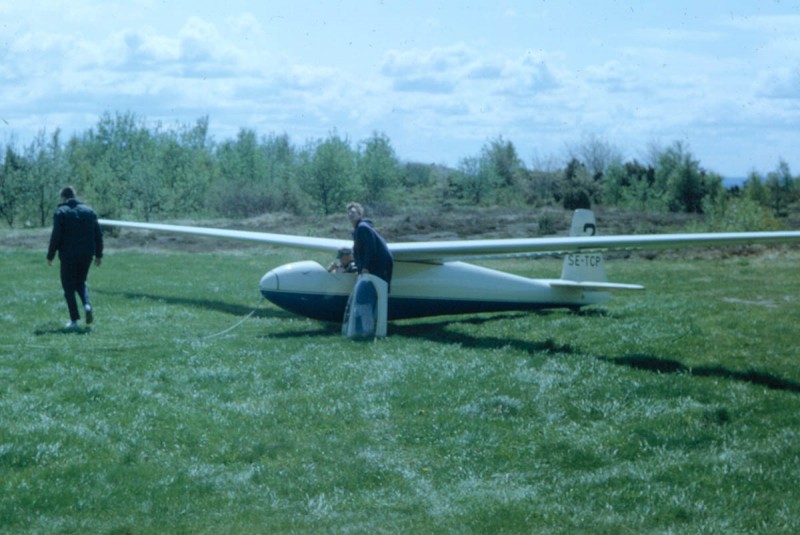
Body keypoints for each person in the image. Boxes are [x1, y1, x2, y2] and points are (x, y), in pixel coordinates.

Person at [47, 186, 104, 330]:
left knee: (68, 286)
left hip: (68, 255)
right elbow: (98, 235)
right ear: (75, 195)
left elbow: (56, 236)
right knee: (81, 281)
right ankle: (87, 305)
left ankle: (74, 321)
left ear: (63, 197)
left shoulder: (61, 212)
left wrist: (51, 255)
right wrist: (99, 254)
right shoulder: (89, 212)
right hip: (86, 255)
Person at [347, 202, 393, 286]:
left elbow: (370, 249)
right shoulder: (357, 230)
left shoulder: (363, 228)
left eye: (353, 212)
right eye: (349, 212)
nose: (350, 214)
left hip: (379, 264)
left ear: (359, 214)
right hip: (375, 265)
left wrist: (366, 267)